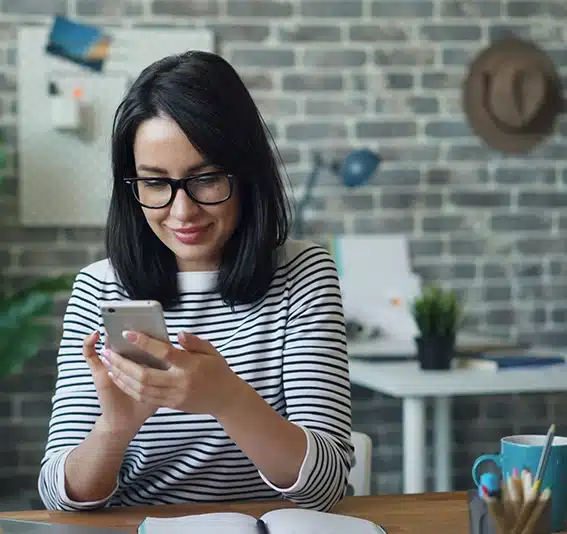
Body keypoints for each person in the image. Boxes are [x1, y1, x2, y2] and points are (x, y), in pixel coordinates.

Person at [38, 50, 352, 512]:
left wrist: (227, 399)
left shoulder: (303, 275)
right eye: (155, 183)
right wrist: (115, 427)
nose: (182, 212)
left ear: (246, 175)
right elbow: (58, 497)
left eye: (205, 179)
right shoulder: (99, 287)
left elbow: (325, 488)